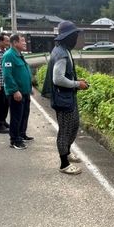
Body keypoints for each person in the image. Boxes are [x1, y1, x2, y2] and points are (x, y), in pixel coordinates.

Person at [44, 21, 89, 174]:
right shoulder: (62, 53)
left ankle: (67, 153)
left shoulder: (62, 49)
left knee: (74, 125)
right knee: (65, 130)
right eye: (75, 35)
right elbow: (58, 79)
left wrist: (77, 81)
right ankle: (64, 164)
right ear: (68, 37)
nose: (76, 38)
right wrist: (77, 84)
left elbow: (64, 75)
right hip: (63, 98)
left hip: (67, 97)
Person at [2, 33, 33, 150]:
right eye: (22, 41)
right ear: (15, 43)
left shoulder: (19, 54)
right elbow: (7, 75)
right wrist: (14, 90)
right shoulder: (9, 55)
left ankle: (21, 134)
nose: (25, 43)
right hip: (17, 93)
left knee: (24, 115)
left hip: (25, 91)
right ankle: (15, 140)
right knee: (16, 117)